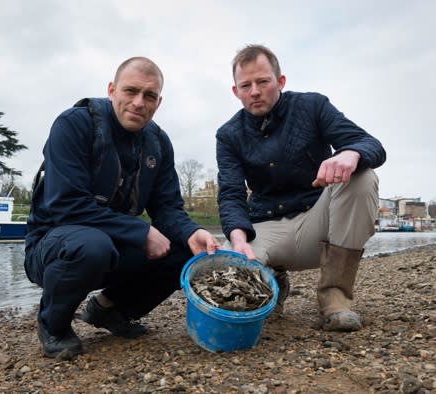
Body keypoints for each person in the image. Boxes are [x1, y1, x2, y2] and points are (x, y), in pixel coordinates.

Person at [24, 56, 220, 358]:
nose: (139, 102)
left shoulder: (159, 142)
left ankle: (109, 310)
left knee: (183, 249)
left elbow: (167, 207)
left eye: (149, 95)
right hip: (52, 247)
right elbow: (66, 206)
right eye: (131, 91)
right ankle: (54, 324)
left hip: (112, 244)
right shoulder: (74, 124)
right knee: (92, 246)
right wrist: (141, 232)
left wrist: (192, 232)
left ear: (159, 101)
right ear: (112, 89)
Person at [216, 44, 386, 332]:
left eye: (263, 81)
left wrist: (351, 153)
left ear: (280, 82)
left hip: (317, 223)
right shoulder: (228, 134)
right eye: (246, 85)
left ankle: (335, 298)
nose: (255, 91)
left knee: (363, 177)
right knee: (227, 260)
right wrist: (237, 237)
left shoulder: (313, 106)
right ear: (236, 91)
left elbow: (371, 145)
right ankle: (272, 281)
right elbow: (231, 193)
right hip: (265, 227)